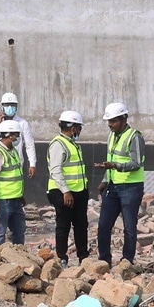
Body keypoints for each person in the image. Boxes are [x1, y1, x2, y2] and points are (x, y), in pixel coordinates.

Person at [95, 102, 145, 264]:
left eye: (113, 121)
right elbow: (111, 159)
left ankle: (127, 261)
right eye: (109, 121)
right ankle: (104, 260)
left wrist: (115, 166)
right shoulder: (112, 135)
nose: (110, 124)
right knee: (104, 225)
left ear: (124, 119)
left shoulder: (134, 136)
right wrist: (105, 180)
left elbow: (136, 163)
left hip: (131, 188)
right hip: (113, 186)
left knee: (129, 227)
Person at [48, 111, 90, 264]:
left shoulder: (72, 144)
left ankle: (83, 257)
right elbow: (56, 170)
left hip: (78, 191)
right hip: (62, 192)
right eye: (79, 128)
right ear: (73, 128)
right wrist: (66, 191)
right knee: (63, 226)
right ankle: (62, 258)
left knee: (81, 225)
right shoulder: (58, 144)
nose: (80, 131)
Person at [0, 120, 27, 245]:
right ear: (10, 136)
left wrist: (20, 196)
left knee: (19, 231)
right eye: (17, 135)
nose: (18, 138)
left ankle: (19, 254)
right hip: (2, 201)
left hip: (15, 199)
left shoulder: (13, 151)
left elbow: (15, 176)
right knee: (0, 233)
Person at [0, 92, 38, 179]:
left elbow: (29, 145)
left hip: (14, 166)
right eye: (7, 105)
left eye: (13, 105)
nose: (10, 107)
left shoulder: (22, 123)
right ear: (2, 106)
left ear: (16, 107)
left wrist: (32, 164)